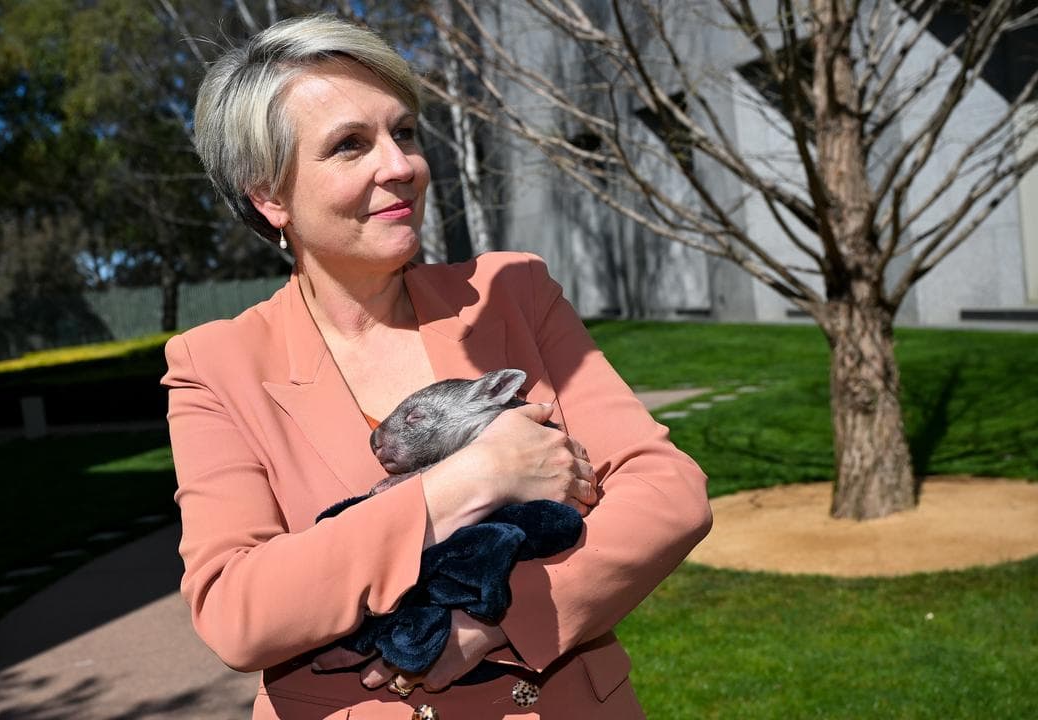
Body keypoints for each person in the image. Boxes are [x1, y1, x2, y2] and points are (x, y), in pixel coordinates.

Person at [163, 13, 711, 719]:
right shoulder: (215, 365)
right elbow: (239, 610)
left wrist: (493, 625)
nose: (401, 166)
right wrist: (472, 480)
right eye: (350, 145)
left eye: (405, 133)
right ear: (269, 195)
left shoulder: (512, 295)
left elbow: (668, 492)